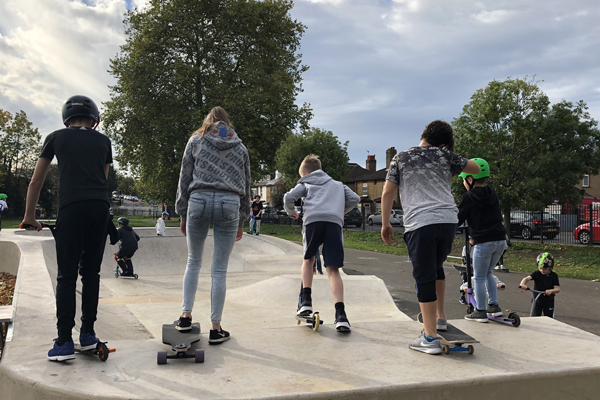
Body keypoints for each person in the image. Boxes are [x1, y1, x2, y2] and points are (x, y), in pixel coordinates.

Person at [21, 95, 113, 361]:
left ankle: (63, 342)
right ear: (95, 120)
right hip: (100, 208)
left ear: (66, 119)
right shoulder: (104, 141)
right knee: (91, 273)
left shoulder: (56, 137)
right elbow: (103, 179)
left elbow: (36, 181)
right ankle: (87, 335)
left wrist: (30, 216)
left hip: (72, 208)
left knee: (66, 276)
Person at [381, 120, 480, 355]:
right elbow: (475, 168)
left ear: (424, 133)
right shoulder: (446, 156)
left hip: (420, 223)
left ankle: (430, 337)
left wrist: (386, 223)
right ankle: (440, 317)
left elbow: (387, 192)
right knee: (436, 268)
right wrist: (449, 156)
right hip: (448, 221)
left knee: (423, 276)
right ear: (444, 143)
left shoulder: (401, 158)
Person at [175, 106, 251, 344]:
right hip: (229, 202)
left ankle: (185, 316)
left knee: (193, 261)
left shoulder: (195, 140)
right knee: (219, 269)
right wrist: (243, 217)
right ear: (227, 123)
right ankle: (216, 328)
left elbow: (184, 177)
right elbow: (247, 185)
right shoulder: (240, 148)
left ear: (208, 121)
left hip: (198, 199)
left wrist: (182, 212)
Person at [284, 154, 360, 332]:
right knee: (333, 269)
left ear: (304, 174)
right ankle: (341, 316)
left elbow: (288, 197)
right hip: (333, 223)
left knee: (309, 259)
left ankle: (306, 302)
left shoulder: (305, 183)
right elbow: (355, 199)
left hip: (313, 221)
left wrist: (292, 212)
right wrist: (338, 210)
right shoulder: (338, 184)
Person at [457, 158, 508, 322]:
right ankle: (494, 306)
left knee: (478, 277)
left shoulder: (468, 196)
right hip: (501, 241)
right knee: (488, 273)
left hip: (483, 243)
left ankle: (480, 310)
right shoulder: (493, 193)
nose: (464, 183)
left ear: (470, 179)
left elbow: (458, 218)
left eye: (465, 180)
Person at [519, 252, 560, 317]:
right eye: (540, 268)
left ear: (550, 267)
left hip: (548, 301)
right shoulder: (537, 274)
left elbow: (557, 289)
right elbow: (527, 278)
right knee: (534, 317)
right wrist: (523, 283)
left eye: (545, 269)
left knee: (549, 318)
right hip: (537, 300)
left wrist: (551, 291)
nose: (542, 271)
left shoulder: (554, 276)